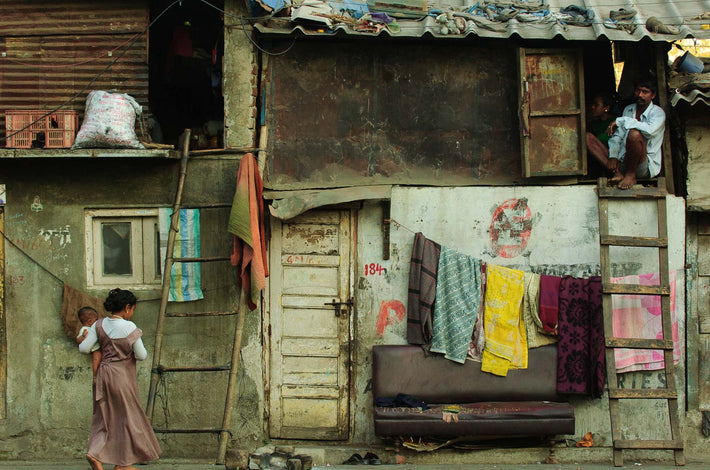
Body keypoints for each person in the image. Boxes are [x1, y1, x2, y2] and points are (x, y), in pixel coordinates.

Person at [79, 288, 161, 470]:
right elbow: (141, 355)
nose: (132, 313)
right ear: (126, 307)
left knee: (104, 417)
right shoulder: (129, 327)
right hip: (122, 377)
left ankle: (96, 453)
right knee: (127, 418)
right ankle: (123, 463)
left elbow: (84, 349)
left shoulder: (98, 325)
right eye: (132, 309)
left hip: (103, 375)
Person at [604, 78, 666, 190]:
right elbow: (618, 135)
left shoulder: (658, 113)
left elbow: (649, 131)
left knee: (634, 134)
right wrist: (613, 156)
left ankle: (630, 176)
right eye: (638, 91)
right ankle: (618, 173)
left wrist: (622, 121)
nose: (640, 95)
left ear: (653, 95)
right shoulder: (629, 109)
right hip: (624, 161)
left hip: (643, 166)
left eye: (645, 92)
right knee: (589, 139)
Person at [586, 91, 618, 178]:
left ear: (606, 108)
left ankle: (617, 171)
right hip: (600, 160)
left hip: (614, 158)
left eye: (596, 105)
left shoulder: (615, 122)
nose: (592, 107)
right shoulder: (592, 124)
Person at [75, 307, 102, 378]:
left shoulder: (94, 328)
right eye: (96, 320)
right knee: (96, 360)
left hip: (98, 347)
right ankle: (96, 374)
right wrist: (83, 337)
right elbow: (78, 339)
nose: (97, 321)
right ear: (90, 321)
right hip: (96, 349)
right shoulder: (85, 329)